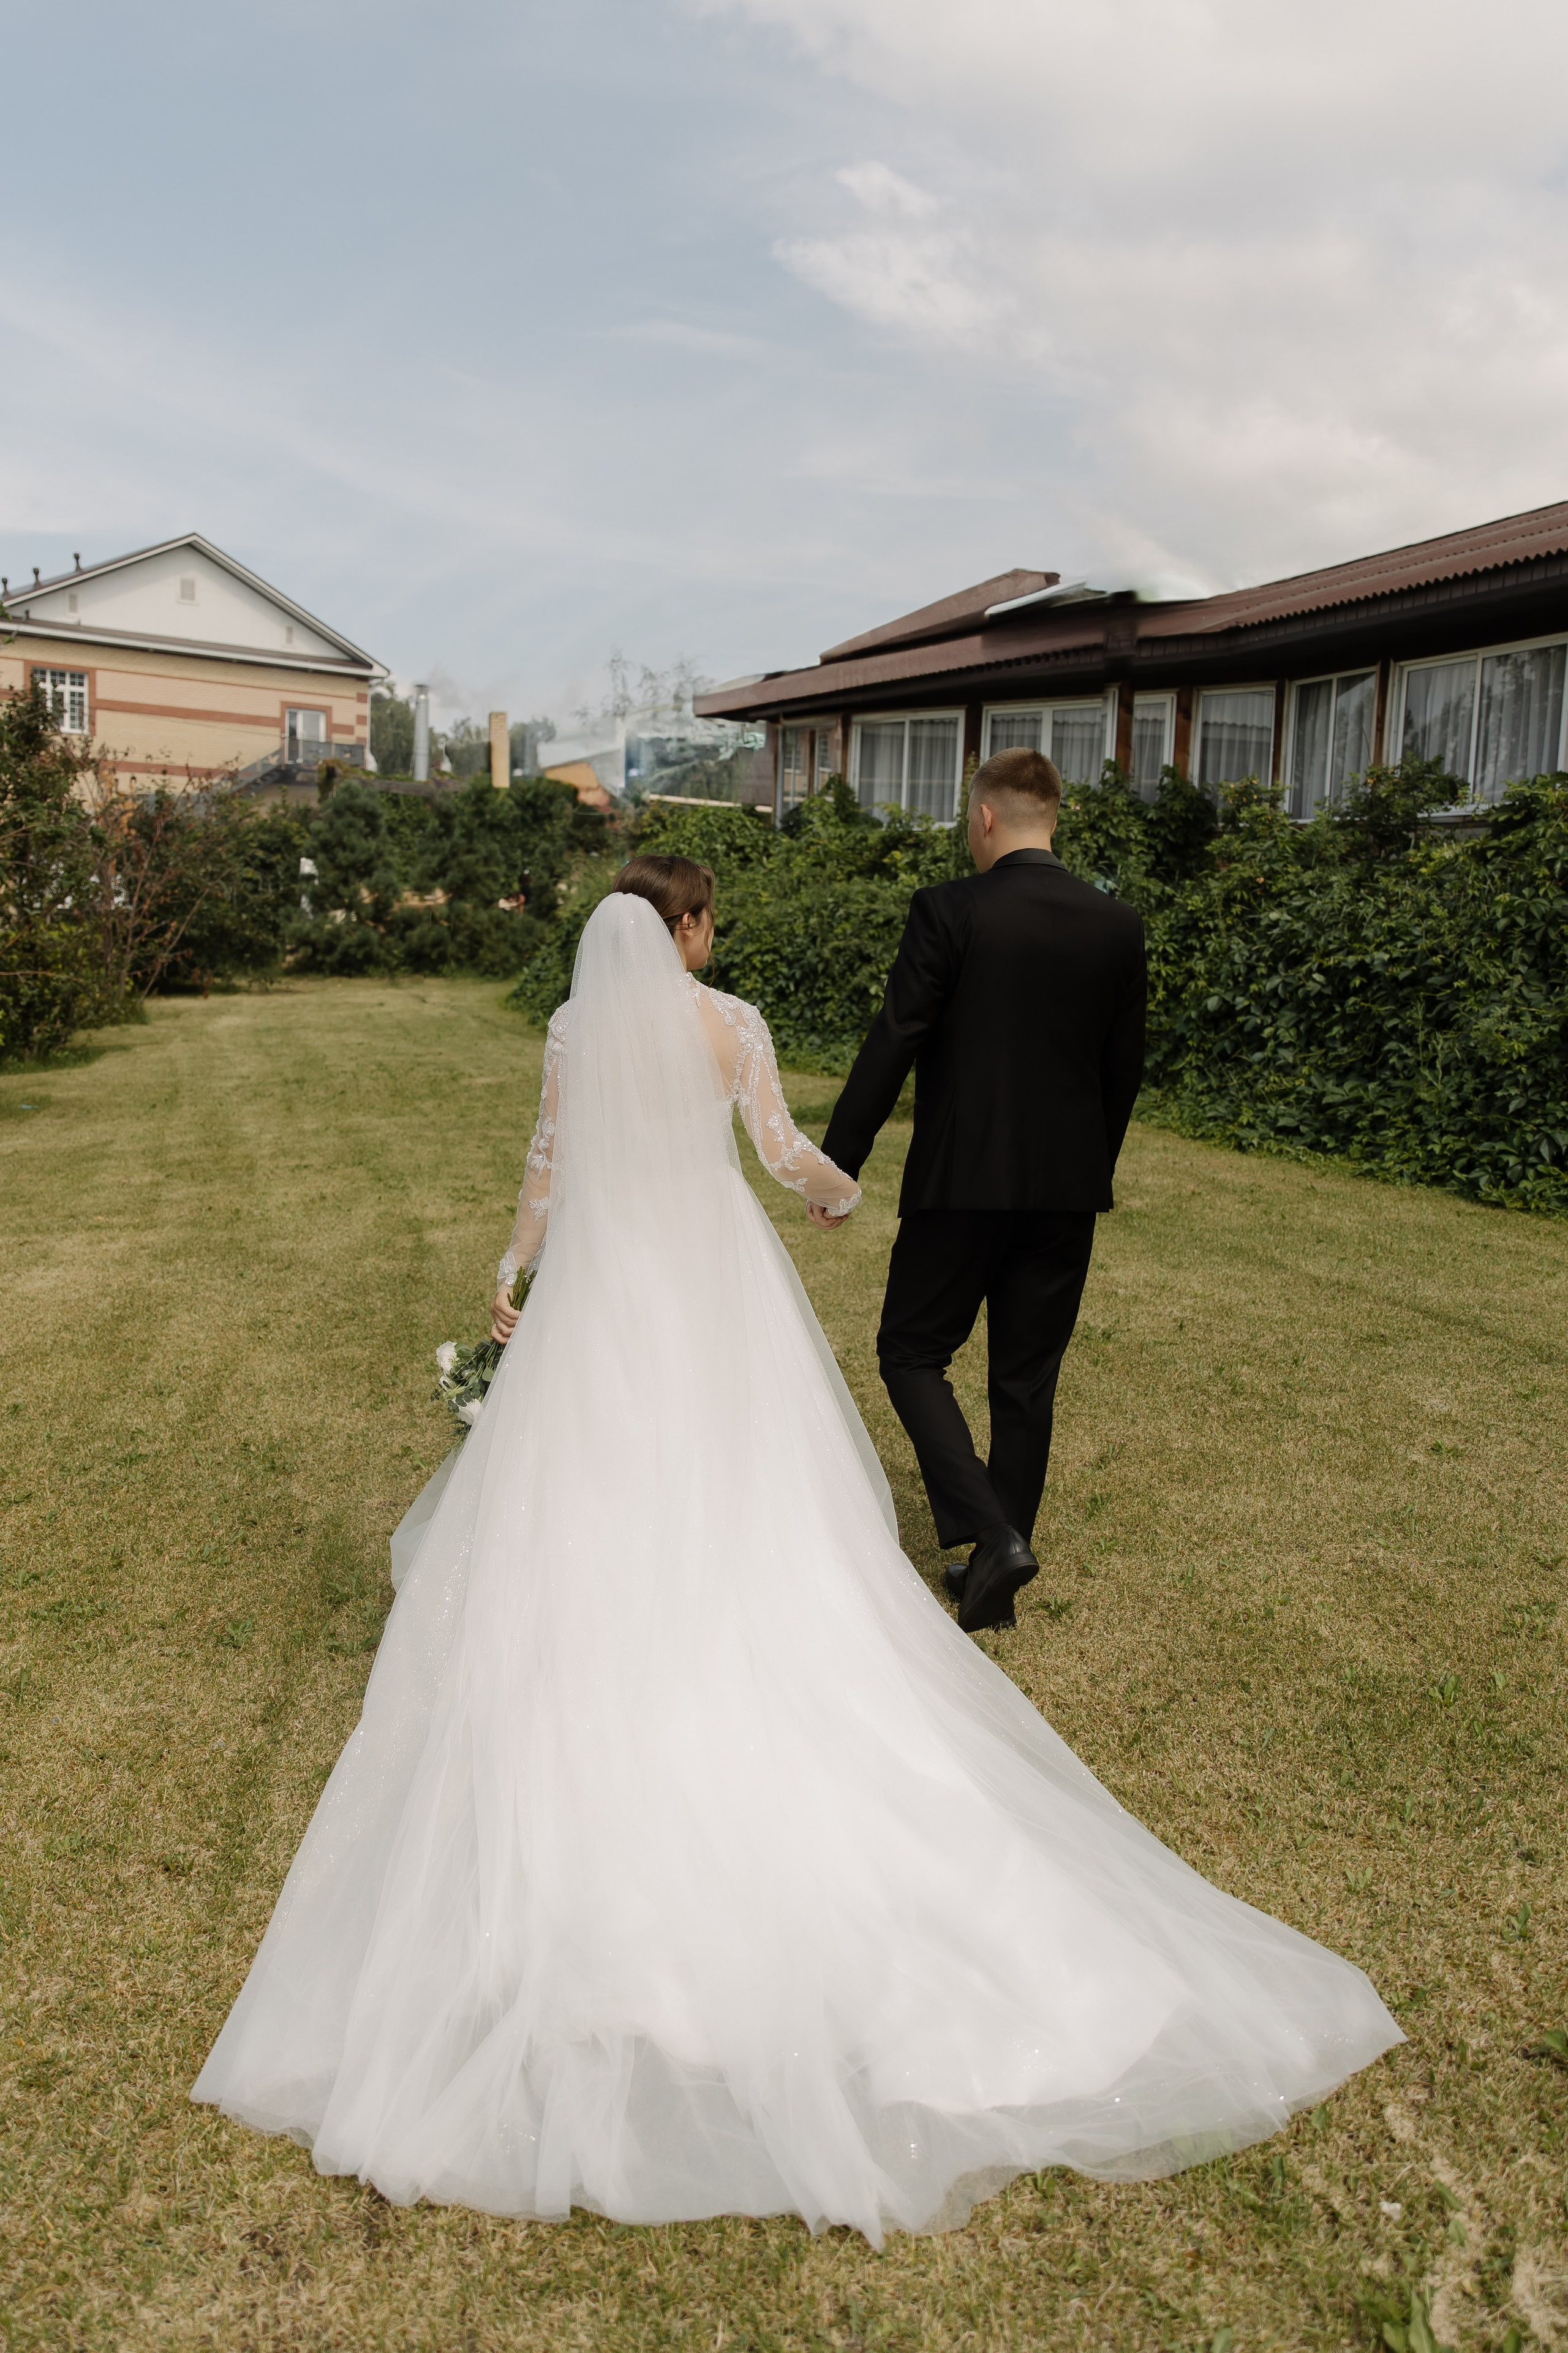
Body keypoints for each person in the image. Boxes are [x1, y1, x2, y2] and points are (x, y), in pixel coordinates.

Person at [192, 853, 1401, 2245]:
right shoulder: (734, 1024)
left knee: (593, 1470)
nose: (706, 942)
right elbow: (775, 1151)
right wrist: (834, 1194)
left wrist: (516, 1267)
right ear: (688, 928)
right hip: (708, 1270)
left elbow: (549, 1161)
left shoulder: (575, 1031)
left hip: (609, 1272)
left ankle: (617, 1650)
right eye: (704, 923)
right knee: (746, 1472)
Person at [821, 746, 1145, 1635]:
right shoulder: (1118, 925)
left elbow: (896, 1037)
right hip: (1065, 1193)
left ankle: (993, 1536)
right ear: (1054, 818)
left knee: (910, 1349)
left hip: (961, 1183)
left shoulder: (949, 910)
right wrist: (1088, 1168)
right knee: (1025, 1381)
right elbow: (1123, 1074)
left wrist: (839, 1159)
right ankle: (996, 1569)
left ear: (985, 818)